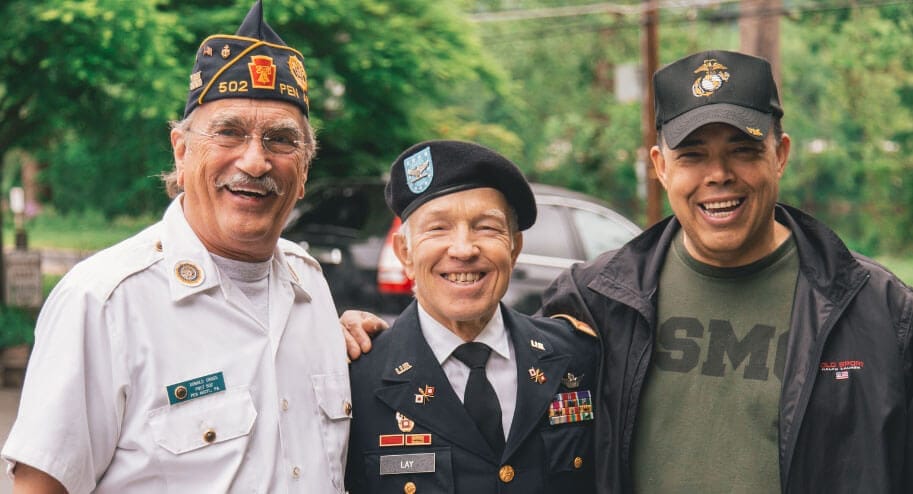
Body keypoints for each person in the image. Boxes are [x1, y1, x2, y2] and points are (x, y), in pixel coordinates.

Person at [1, 2, 352, 492]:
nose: (255, 162)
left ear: (305, 170)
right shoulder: (104, 302)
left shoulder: (310, 286)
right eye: (229, 132)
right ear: (182, 152)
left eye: (280, 140)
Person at [538, 50, 913, 492]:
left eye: (743, 150)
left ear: (780, 155)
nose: (718, 174)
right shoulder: (595, 304)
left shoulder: (883, 313)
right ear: (661, 166)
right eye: (692, 155)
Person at [344, 140, 600, 493]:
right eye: (438, 228)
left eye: (486, 227)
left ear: (514, 248)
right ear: (405, 253)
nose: (464, 249)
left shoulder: (577, 357)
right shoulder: (355, 378)